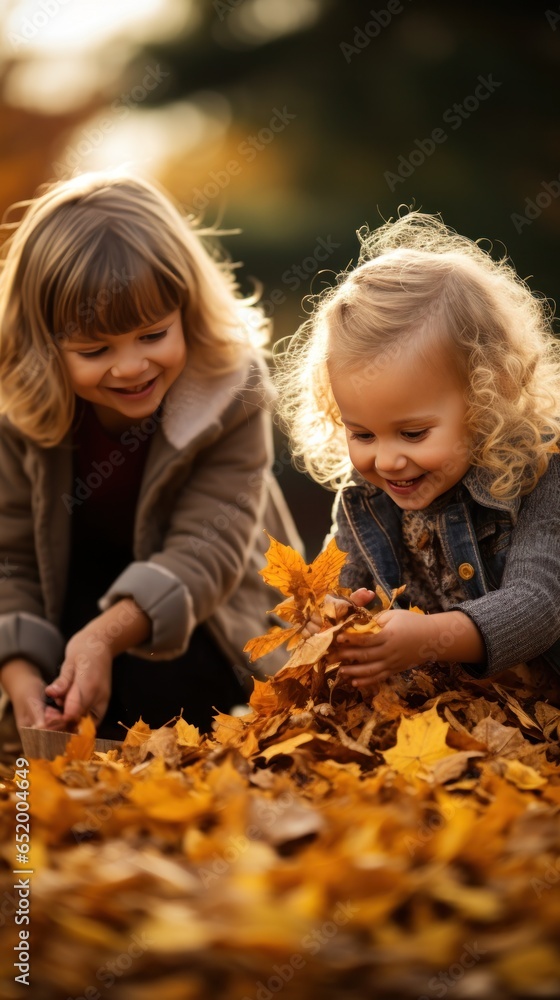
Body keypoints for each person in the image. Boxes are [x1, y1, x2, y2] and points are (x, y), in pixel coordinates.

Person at [0, 170, 301, 738]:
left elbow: (206, 551)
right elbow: (10, 558)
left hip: (208, 625)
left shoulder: (230, 391)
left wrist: (102, 638)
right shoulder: (16, 416)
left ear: (185, 310)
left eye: (153, 335)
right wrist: (20, 677)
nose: (131, 366)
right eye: (94, 349)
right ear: (46, 347)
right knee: (36, 730)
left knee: (153, 701)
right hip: (70, 607)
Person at [274, 211, 560, 690]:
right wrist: (335, 616)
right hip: (441, 719)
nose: (385, 461)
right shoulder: (366, 497)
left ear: (490, 395)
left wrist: (430, 637)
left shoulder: (541, 474)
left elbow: (539, 604)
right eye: (362, 434)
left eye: (412, 434)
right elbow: (335, 585)